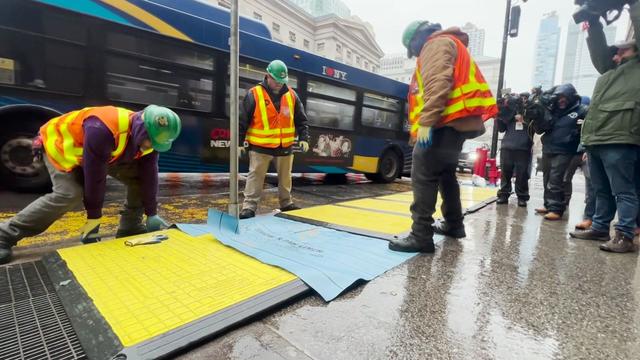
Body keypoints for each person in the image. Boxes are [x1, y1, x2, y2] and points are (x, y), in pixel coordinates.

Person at [0, 105, 181, 264]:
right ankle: (4, 235)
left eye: (156, 144)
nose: (149, 146)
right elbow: (95, 178)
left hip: (100, 153)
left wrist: (151, 213)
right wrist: (93, 220)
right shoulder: (102, 128)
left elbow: (149, 176)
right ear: (142, 129)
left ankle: (130, 227)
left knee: (140, 181)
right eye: (149, 141)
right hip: (62, 147)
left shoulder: (151, 140)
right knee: (69, 194)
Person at [388, 20, 497, 253]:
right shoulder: (450, 43)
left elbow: (438, 84)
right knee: (446, 174)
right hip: (456, 123)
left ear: (417, 38)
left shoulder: (435, 45)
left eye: (412, 48)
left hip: (444, 122)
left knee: (423, 172)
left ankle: (421, 235)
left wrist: (426, 124)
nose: (414, 53)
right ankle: (454, 224)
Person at [569, 2, 640, 253]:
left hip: (621, 137)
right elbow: (599, 49)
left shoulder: (636, 68)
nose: (617, 53)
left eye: (623, 50)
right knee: (601, 189)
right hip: (597, 137)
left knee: (624, 190)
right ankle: (600, 226)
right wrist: (592, 21)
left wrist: (633, 4)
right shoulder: (609, 71)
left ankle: (625, 235)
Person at [238, 59, 310, 219]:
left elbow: (301, 120)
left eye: (281, 81)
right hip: (260, 146)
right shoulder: (254, 93)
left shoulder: (292, 95)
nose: (279, 84)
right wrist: (238, 142)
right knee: (255, 176)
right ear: (267, 76)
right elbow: (242, 120)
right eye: (276, 80)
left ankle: (286, 203)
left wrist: (304, 137)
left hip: (284, 146)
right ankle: (249, 207)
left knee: (285, 177)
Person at [531, 84, 586, 221]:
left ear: (572, 97)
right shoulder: (553, 110)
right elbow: (541, 128)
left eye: (564, 97)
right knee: (547, 178)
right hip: (549, 147)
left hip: (566, 150)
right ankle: (548, 205)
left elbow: (587, 130)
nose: (561, 100)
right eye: (559, 97)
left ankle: (556, 209)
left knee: (556, 178)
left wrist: (583, 147)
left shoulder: (582, 110)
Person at [496, 92, 534, 207]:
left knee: (522, 174)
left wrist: (525, 120)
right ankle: (503, 194)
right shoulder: (508, 113)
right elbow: (501, 129)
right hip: (507, 147)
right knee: (505, 172)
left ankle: (522, 197)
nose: (522, 100)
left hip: (523, 148)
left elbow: (537, 128)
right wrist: (499, 115)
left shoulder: (530, 112)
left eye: (525, 98)